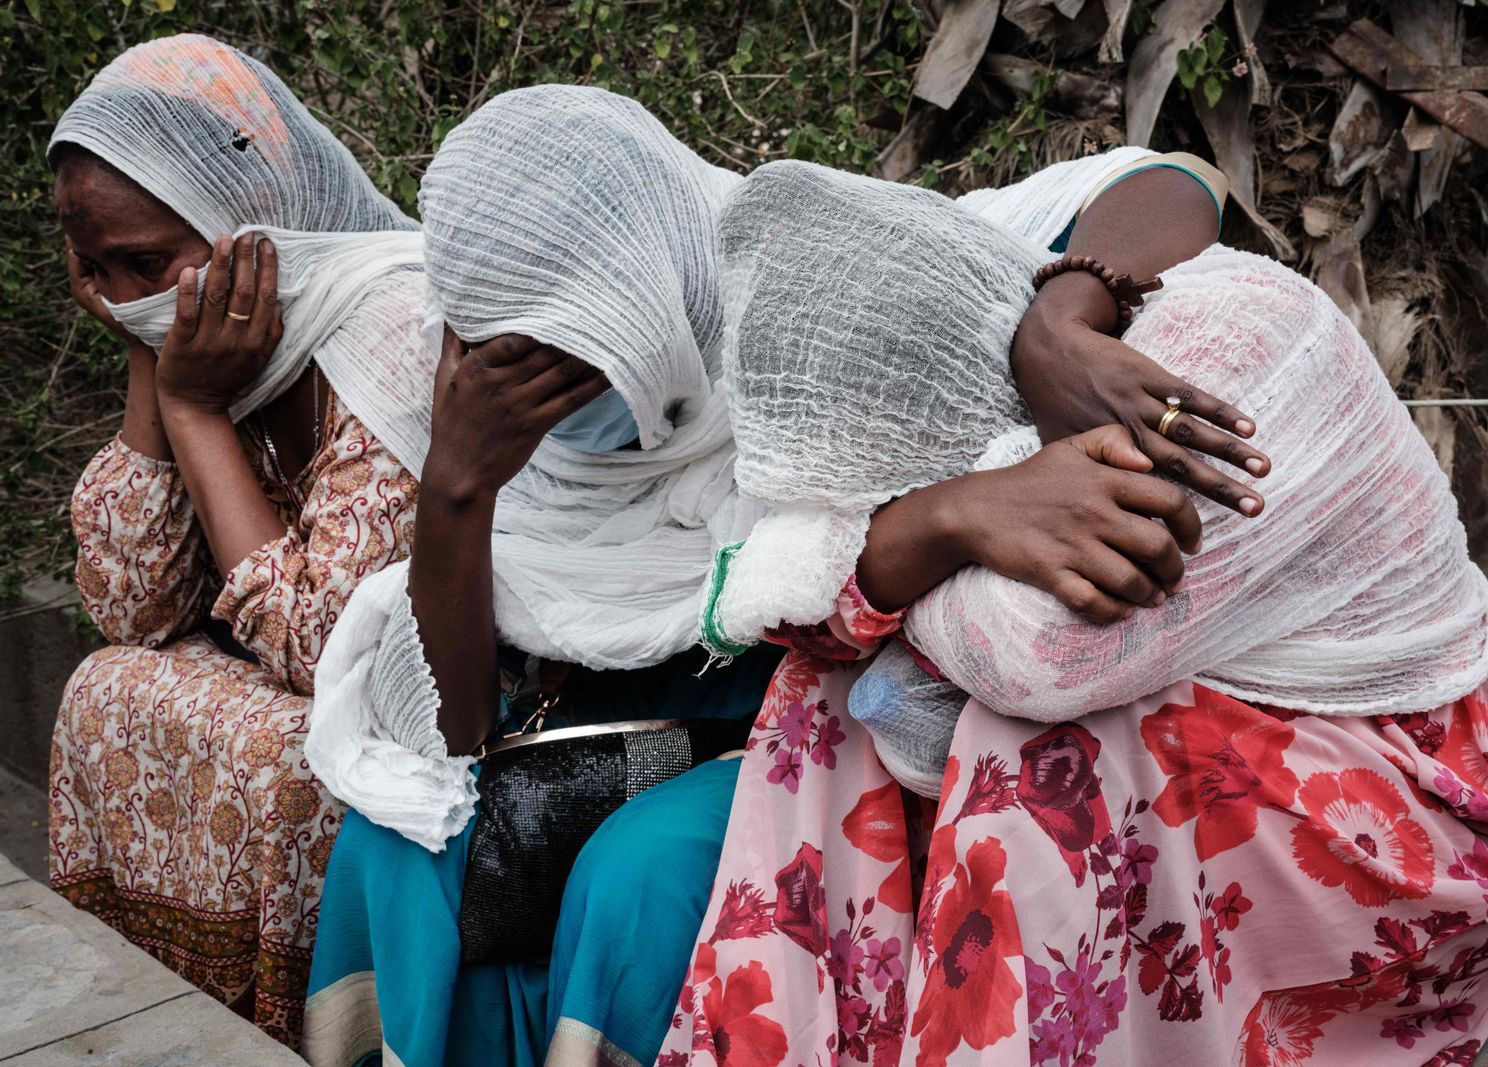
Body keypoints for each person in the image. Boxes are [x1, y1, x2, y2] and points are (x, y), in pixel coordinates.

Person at [301, 86, 1258, 1067]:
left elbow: (1174, 183)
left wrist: (1055, 328)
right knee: (397, 841)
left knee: (639, 877)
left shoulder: (801, 281)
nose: (543, 385)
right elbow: (456, 734)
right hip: (640, 731)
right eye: (507, 351)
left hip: (828, 716)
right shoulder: (488, 427)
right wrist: (459, 490)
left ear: (655, 280)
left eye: (583, 342)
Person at [662, 162, 1488, 1065]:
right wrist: (952, 513)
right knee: (824, 693)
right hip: (1231, 711)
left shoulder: (1216, 366)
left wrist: (924, 531)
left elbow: (1039, 659)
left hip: (1416, 804)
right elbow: (797, 605)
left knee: (1036, 761)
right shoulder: (1022, 355)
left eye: (906, 485)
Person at [47, 34, 435, 1046]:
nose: (125, 291)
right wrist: (154, 361)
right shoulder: (213, 339)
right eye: (94, 269)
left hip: (439, 698)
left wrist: (196, 408)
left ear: (247, 215)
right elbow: (134, 605)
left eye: (148, 263)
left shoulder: (389, 323)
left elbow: (326, 651)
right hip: (301, 668)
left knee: (286, 754)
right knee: (106, 683)